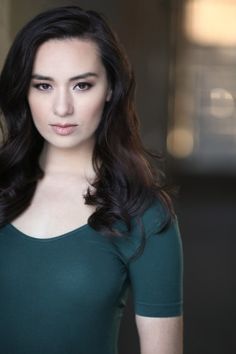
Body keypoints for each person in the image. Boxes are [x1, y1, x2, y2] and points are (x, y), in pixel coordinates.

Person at [0, 5, 183, 354]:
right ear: (24, 91)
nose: (62, 107)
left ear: (111, 88)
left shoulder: (144, 213)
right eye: (43, 85)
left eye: (82, 85)